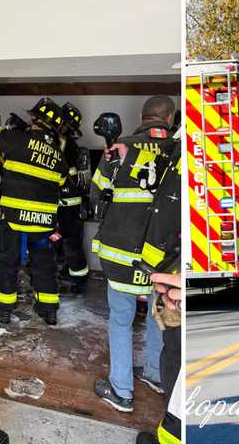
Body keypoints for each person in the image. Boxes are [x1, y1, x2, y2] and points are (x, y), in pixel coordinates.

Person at [92, 96, 176, 413]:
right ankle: (154, 374)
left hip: (122, 254)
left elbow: (99, 188)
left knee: (121, 319)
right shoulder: (180, 152)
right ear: (170, 119)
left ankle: (122, 391)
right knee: (158, 316)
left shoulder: (121, 147)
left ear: (143, 117)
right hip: (162, 258)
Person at [0, 98, 68, 326]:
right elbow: (61, 181)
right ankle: (49, 310)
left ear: (35, 120)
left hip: (14, 220)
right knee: (44, 265)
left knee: (7, 264)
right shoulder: (59, 156)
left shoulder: (15, 140)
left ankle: (4, 310)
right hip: (43, 224)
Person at [135, 141, 182, 444]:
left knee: (175, 353)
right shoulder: (171, 155)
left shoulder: (169, 157)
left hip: (170, 276)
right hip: (170, 277)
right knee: (172, 350)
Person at [54, 102, 90, 294]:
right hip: (66, 204)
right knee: (63, 242)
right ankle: (72, 275)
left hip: (68, 205)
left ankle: (79, 280)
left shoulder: (65, 144)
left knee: (70, 244)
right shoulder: (67, 143)